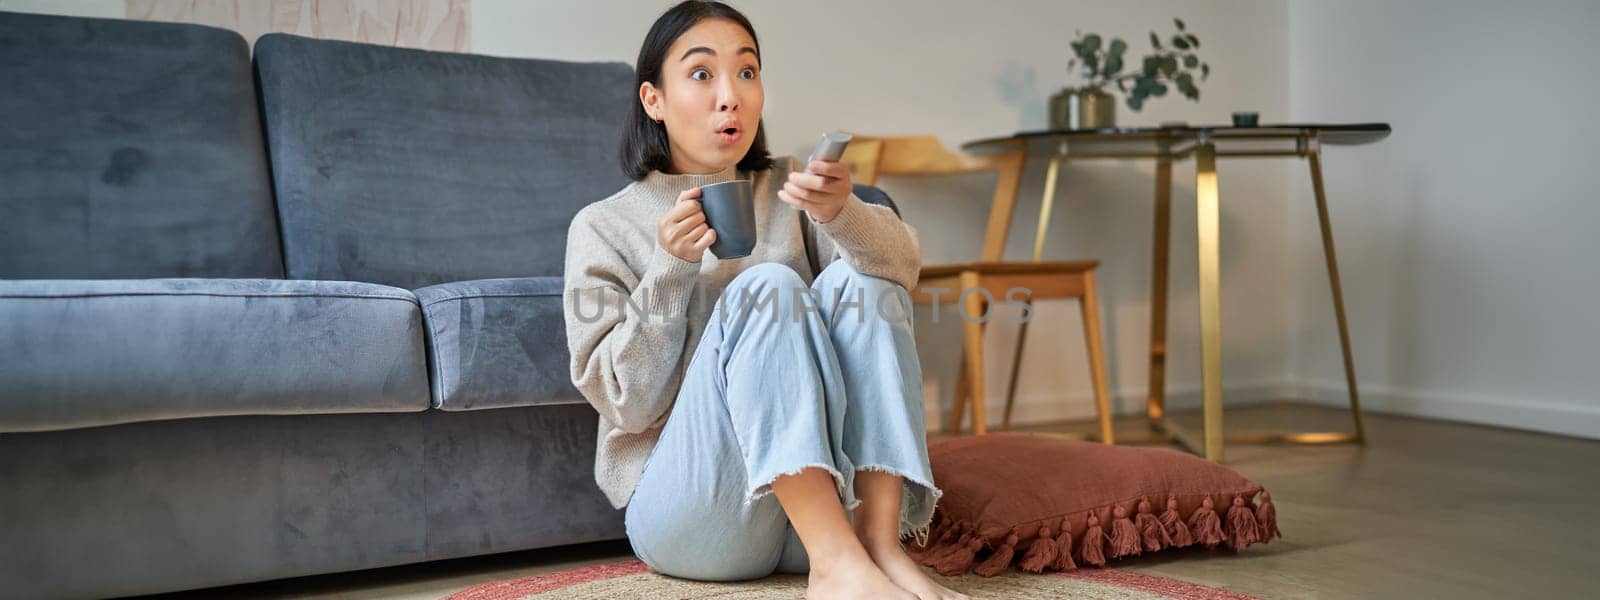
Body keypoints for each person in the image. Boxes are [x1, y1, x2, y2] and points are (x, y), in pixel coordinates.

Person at [562, 2, 965, 599]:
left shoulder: (790, 189)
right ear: (653, 100)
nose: (731, 96)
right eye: (702, 75)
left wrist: (842, 213)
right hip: (695, 518)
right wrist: (671, 268)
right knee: (769, 286)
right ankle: (837, 568)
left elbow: (900, 272)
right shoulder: (602, 226)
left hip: (824, 508)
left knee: (865, 283)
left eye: (746, 73)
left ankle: (877, 548)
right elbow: (627, 403)